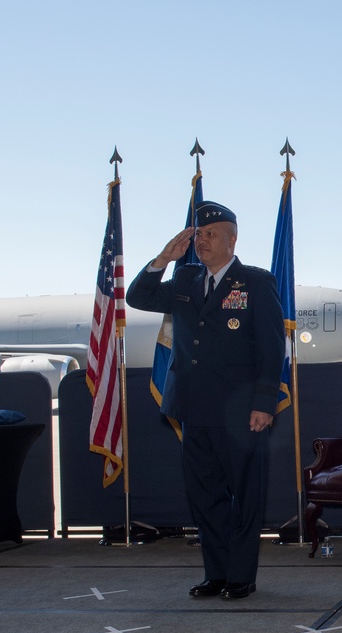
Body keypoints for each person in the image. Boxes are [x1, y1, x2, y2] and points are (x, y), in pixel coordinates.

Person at [126, 201, 285, 599]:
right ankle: (216, 573)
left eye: (211, 234)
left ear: (232, 239)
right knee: (205, 496)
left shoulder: (256, 282)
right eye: (198, 234)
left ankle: (241, 576)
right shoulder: (185, 281)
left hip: (241, 413)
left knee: (244, 497)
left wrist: (264, 403)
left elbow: (270, 347)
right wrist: (165, 258)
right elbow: (138, 296)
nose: (202, 241)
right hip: (193, 408)